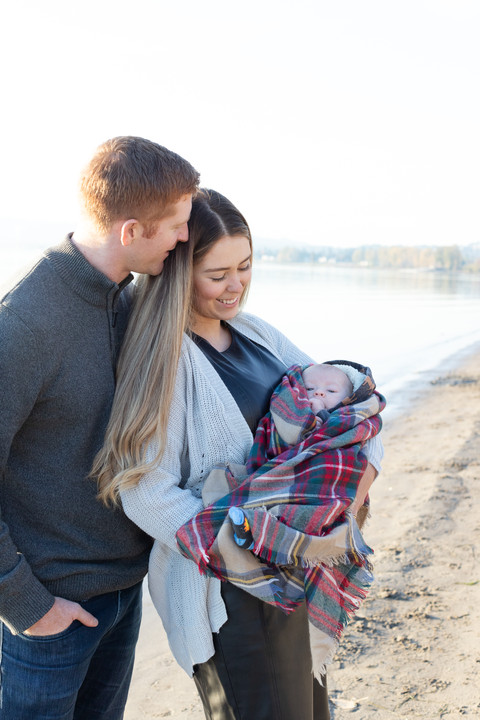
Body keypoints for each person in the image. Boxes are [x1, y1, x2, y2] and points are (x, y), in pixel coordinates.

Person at [94, 189, 383, 720]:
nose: (236, 286)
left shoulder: (254, 333)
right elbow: (143, 490)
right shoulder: (163, 362)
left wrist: (363, 478)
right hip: (231, 593)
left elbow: (351, 398)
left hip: (296, 570)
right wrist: (242, 546)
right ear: (179, 273)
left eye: (245, 267)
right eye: (218, 274)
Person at [0, 135, 199, 719]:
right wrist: (25, 603)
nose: (184, 237)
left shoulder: (128, 301)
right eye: (176, 226)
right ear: (131, 231)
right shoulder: (24, 322)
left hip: (121, 595)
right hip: (49, 611)